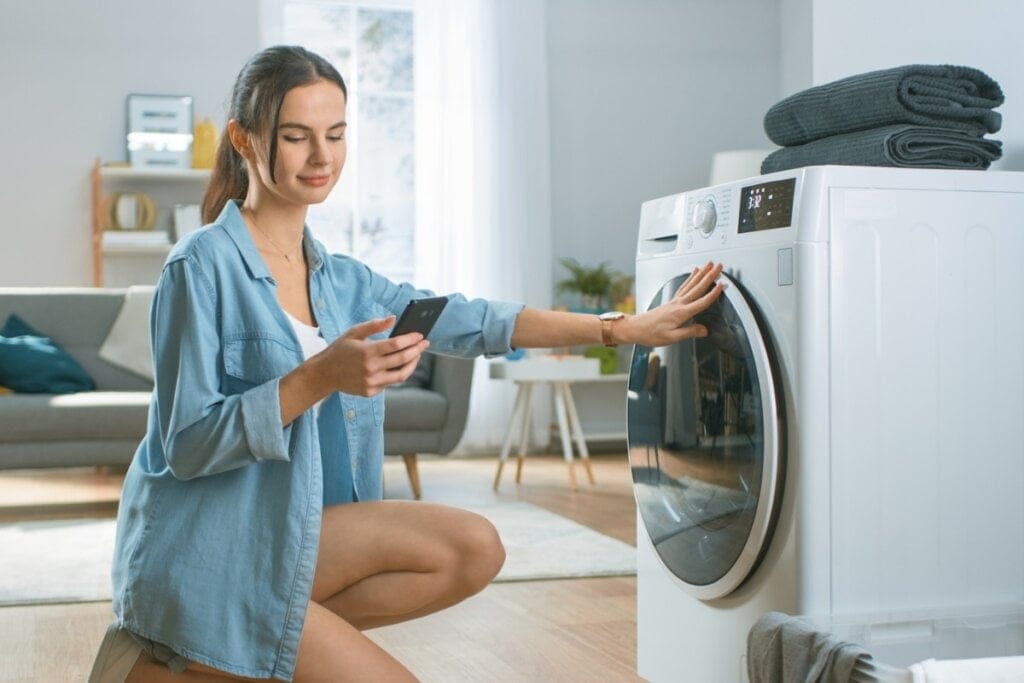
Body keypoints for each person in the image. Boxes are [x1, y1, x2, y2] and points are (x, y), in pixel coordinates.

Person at [88, 45, 725, 683]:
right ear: (244, 139)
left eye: (336, 135)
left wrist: (618, 328)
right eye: (296, 136)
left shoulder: (340, 280)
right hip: (213, 549)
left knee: (473, 548)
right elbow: (189, 445)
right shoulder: (199, 268)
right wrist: (320, 377)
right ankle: (186, 641)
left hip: (292, 536)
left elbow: (472, 319)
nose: (322, 157)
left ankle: (204, 662)